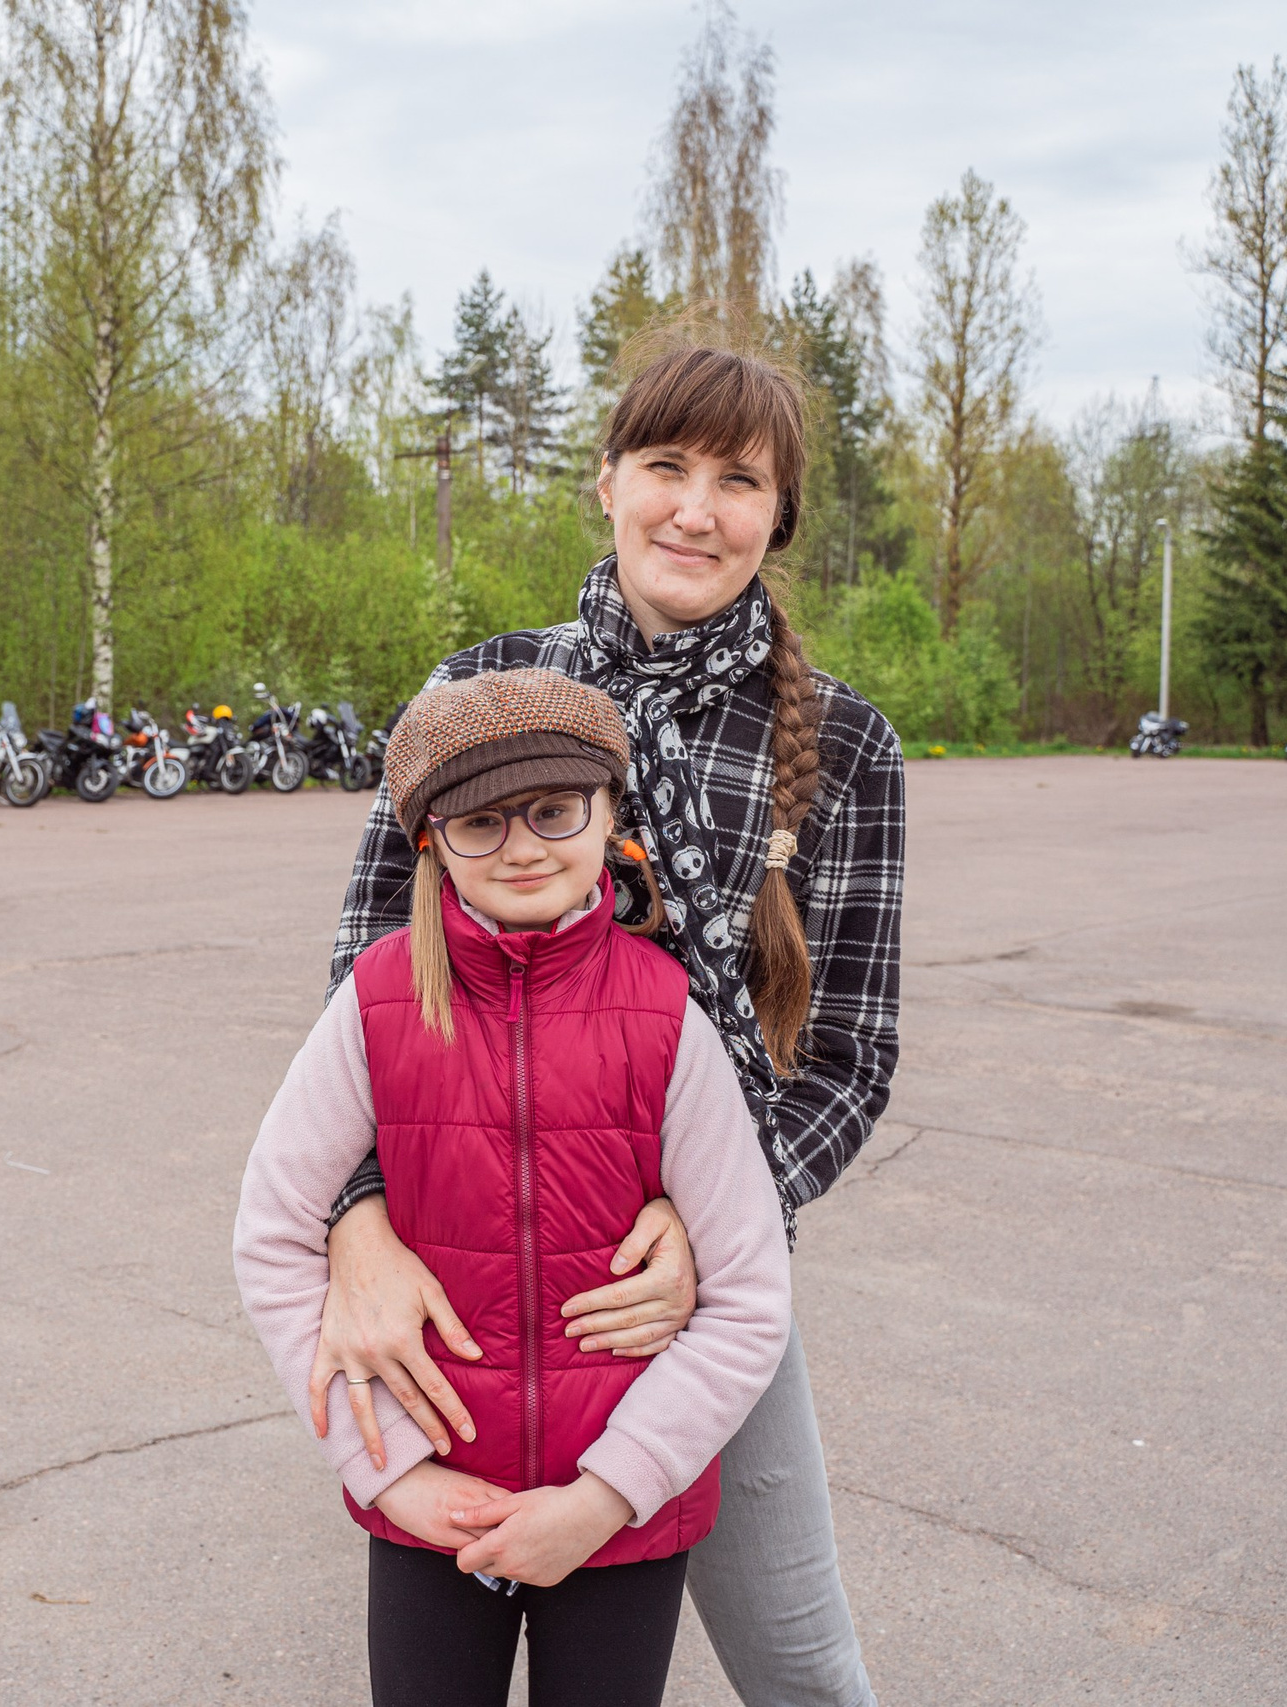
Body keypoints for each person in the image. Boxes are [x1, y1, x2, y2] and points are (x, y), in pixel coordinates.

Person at [315, 340, 903, 1706]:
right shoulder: (479, 690)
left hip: (689, 1287)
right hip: (469, 1268)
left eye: (738, 481)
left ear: (779, 515)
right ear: (608, 482)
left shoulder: (845, 747)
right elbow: (363, 987)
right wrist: (357, 1223)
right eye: (666, 466)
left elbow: (849, 1056)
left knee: (800, 1662)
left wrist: (715, 1229)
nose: (695, 509)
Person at [235, 668, 793, 1707]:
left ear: (610, 814)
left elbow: (748, 1296)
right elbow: (273, 1232)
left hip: (617, 1524)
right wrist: (394, 1473)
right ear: (430, 841)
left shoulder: (666, 1015)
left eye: (553, 809)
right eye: (481, 822)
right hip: (431, 1510)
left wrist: (607, 1493)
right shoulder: (377, 1002)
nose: (523, 846)